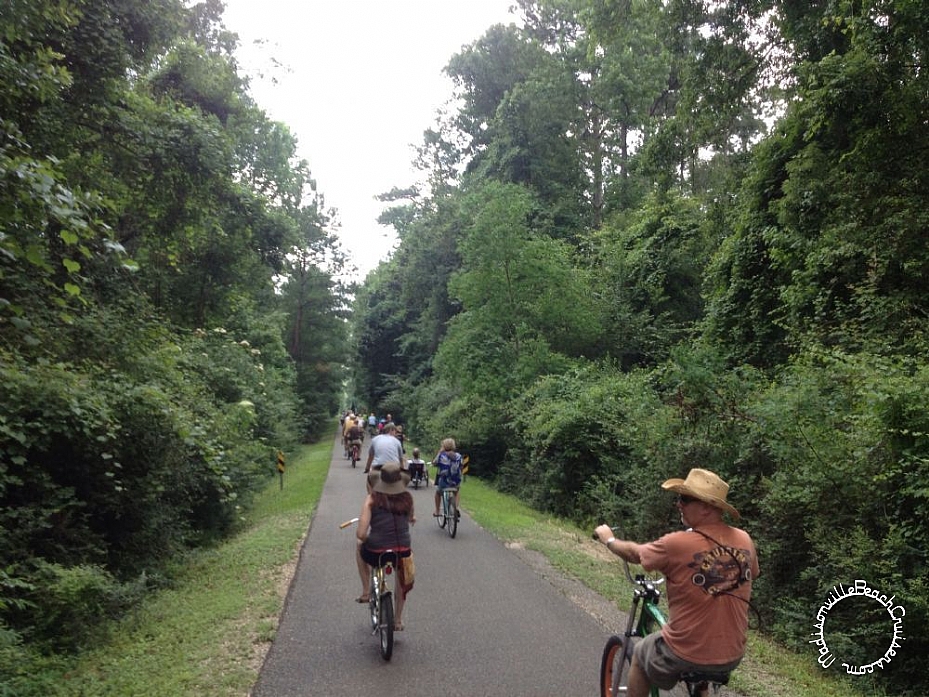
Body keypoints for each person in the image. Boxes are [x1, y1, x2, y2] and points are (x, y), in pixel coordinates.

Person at [594, 468, 759, 697]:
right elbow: (752, 573)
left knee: (641, 654)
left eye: (685, 499)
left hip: (688, 653)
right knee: (700, 673)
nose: (678, 504)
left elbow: (636, 554)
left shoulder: (677, 544)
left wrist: (609, 540)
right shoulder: (744, 539)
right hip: (732, 654)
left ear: (706, 507)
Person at [354, 463, 415, 631]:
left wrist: (370, 538)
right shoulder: (408, 498)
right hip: (402, 550)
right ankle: (397, 620)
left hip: (375, 551)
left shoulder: (372, 499)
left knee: (359, 545)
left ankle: (366, 590)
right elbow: (411, 518)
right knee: (401, 581)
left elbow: (361, 534)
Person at [364, 422, 406, 490]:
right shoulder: (397, 441)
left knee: (369, 481)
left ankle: (371, 496)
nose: (395, 433)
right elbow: (401, 459)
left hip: (378, 467)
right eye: (395, 431)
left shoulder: (375, 439)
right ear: (391, 430)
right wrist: (402, 471)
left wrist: (367, 468)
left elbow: (370, 456)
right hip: (394, 467)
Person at [432, 437, 463, 518]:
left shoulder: (442, 456)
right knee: (456, 492)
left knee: (438, 493)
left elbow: (434, 463)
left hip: (444, 482)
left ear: (444, 446)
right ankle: (456, 507)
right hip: (455, 482)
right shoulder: (459, 456)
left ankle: (437, 511)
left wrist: (439, 452)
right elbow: (461, 467)